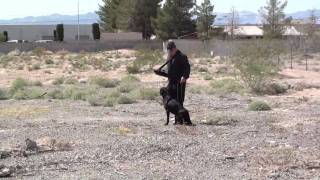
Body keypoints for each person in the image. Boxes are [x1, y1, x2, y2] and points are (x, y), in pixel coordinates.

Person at [154, 41, 191, 123]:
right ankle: (176, 119)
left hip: (179, 83)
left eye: (171, 51)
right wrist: (160, 71)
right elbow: (169, 70)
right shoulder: (169, 57)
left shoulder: (182, 56)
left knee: (179, 100)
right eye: (168, 51)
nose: (169, 52)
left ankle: (180, 119)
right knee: (171, 100)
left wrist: (184, 76)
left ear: (175, 49)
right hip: (171, 82)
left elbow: (187, 68)